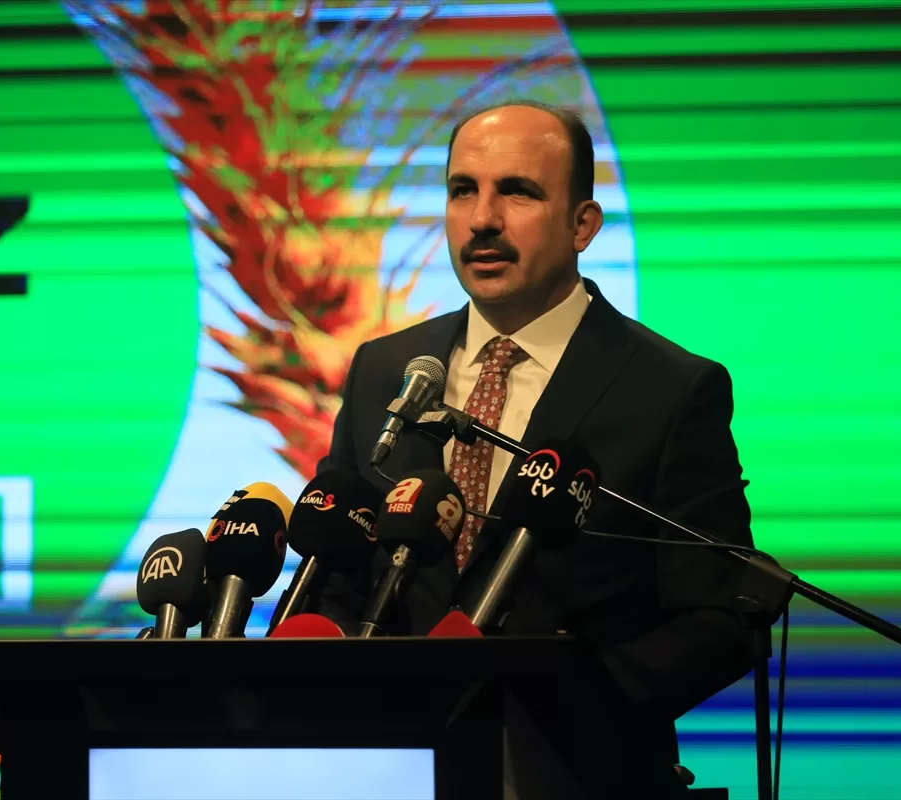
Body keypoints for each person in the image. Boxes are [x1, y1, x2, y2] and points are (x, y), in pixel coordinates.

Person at [315, 101, 756, 798]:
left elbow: (721, 614)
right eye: (463, 190)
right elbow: (338, 570)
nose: (482, 219)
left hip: (578, 774)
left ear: (583, 225)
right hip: (398, 771)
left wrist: (567, 703)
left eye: (517, 192)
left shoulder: (669, 389)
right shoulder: (385, 370)